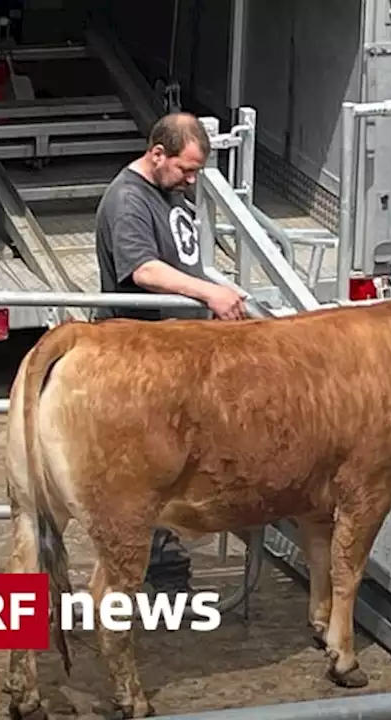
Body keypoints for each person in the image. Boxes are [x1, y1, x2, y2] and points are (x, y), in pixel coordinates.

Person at [93, 111, 247, 595]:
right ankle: (144, 560)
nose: (192, 179)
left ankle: (159, 550)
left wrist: (215, 285)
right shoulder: (128, 199)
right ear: (157, 154)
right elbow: (143, 270)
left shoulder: (169, 192)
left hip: (173, 351)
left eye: (196, 171)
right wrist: (208, 293)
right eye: (186, 168)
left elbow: (184, 259)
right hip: (143, 355)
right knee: (148, 461)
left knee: (173, 456)